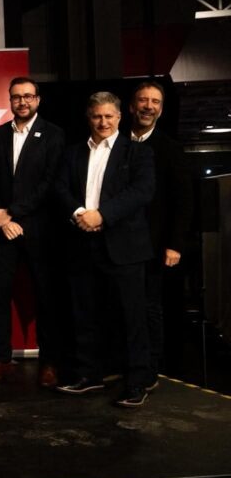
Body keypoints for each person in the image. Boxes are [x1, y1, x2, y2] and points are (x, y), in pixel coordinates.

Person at [55, 92, 155, 408]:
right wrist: (79, 213)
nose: (103, 122)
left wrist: (103, 215)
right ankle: (90, 375)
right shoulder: (73, 153)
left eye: (109, 116)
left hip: (123, 247)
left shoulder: (137, 152)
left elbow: (142, 191)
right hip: (82, 244)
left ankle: (137, 381)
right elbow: (59, 187)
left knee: (131, 318)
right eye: (97, 116)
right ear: (89, 117)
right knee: (85, 314)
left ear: (119, 118)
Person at [0, 77, 65, 386]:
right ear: (10, 100)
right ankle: (1, 360)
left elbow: (50, 184)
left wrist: (13, 213)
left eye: (28, 96)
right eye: (16, 97)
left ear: (38, 100)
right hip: (1, 230)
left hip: (38, 230)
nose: (22, 102)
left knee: (46, 297)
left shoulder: (54, 135)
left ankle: (49, 363)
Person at [128, 81, 193, 380]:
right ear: (132, 106)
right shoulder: (117, 143)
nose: (148, 106)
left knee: (150, 308)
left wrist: (175, 245)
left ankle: (152, 369)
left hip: (155, 245)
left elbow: (183, 201)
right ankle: (127, 364)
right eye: (143, 100)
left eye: (155, 102)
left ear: (162, 110)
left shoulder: (170, 149)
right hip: (119, 243)